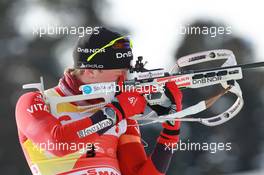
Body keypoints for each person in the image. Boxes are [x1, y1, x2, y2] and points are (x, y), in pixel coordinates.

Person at [15, 27, 183, 175]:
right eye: (119, 74)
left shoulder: (120, 112)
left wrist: (170, 133)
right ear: (90, 71)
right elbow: (57, 144)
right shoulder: (36, 101)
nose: (124, 80)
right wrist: (114, 113)